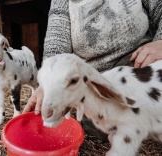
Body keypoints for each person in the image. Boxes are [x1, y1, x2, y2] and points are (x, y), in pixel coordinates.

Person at [23, 0, 162, 141]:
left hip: (143, 74)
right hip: (96, 85)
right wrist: (50, 83)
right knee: (99, 120)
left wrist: (161, 42)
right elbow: (57, 41)